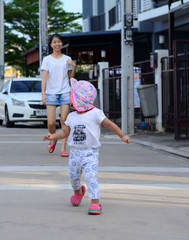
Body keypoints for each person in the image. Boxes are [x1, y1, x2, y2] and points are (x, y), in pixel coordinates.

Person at [43, 78, 130, 215]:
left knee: (90, 177)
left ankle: (95, 203)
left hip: (91, 153)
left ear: (79, 99)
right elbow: (66, 131)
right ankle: (78, 192)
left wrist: (122, 135)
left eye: (72, 96)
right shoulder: (71, 116)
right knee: (73, 177)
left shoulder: (95, 113)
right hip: (75, 153)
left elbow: (110, 125)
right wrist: (53, 137)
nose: (69, 100)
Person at [41, 33, 76, 157]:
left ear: (62, 44)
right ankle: (54, 138)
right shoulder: (47, 59)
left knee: (64, 121)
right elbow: (44, 78)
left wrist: (73, 65)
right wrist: (43, 94)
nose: (57, 44)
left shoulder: (66, 58)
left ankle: (63, 148)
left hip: (65, 92)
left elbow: (70, 77)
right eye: (54, 42)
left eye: (59, 42)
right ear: (51, 45)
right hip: (51, 93)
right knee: (50, 123)